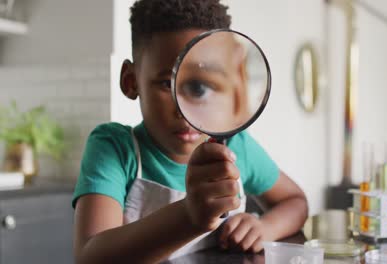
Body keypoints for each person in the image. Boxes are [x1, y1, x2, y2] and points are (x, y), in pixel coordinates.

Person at [72, 0, 308, 263]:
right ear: (131, 81)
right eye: (166, 83)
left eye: (199, 87)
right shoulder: (115, 149)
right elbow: (89, 258)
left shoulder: (236, 146)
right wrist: (188, 216)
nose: (184, 110)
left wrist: (264, 228)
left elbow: (296, 202)